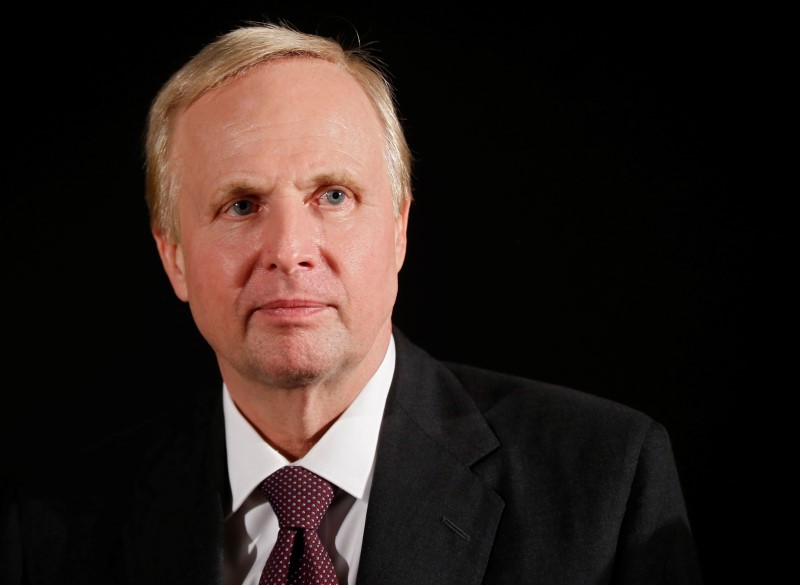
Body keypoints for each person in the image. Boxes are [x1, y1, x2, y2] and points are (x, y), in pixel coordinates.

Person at [1, 20, 704, 584]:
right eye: (241, 204)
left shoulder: (607, 486)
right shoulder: (56, 531)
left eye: (333, 195)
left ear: (398, 227)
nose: (289, 248)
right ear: (174, 256)